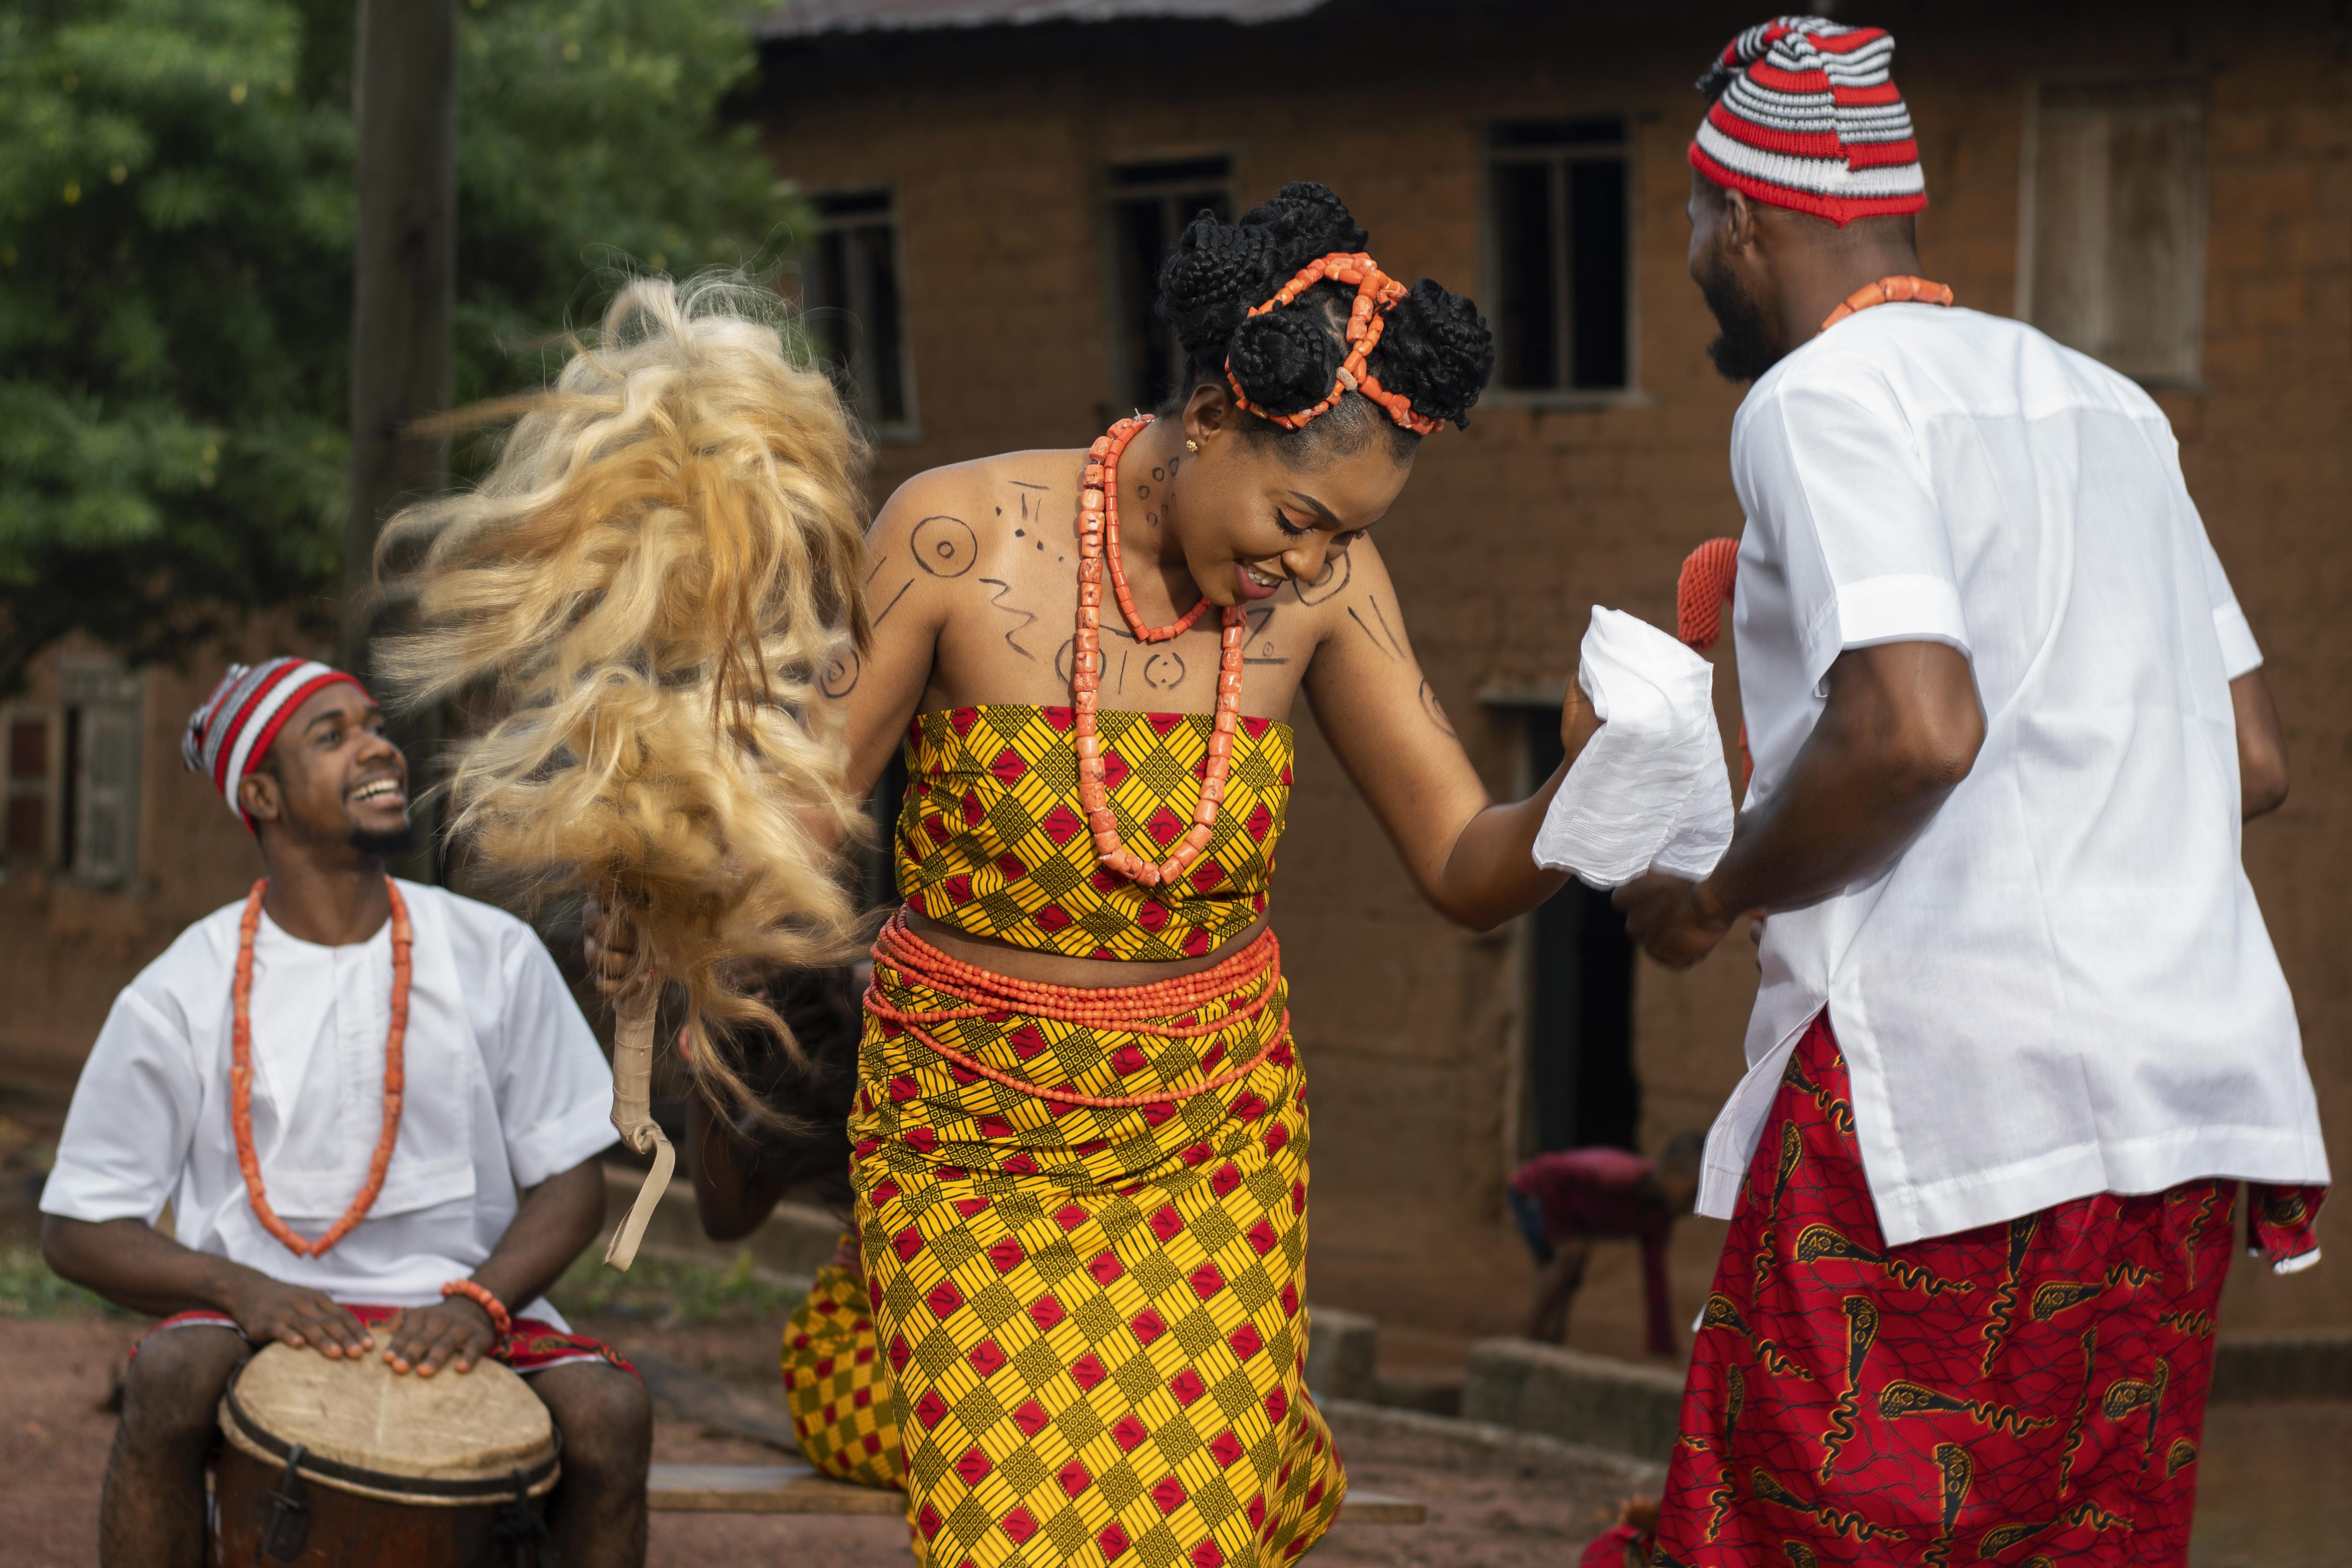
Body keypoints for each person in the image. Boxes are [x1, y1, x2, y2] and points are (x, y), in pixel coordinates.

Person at [588, 182, 1598, 1566]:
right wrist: (665, 869)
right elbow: (802, 821)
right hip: (973, 1130)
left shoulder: (1328, 594)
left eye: (1345, 537)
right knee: (1020, 1526)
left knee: (1177, 1528)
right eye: (1298, 514)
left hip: (1208, 1135)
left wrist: (1581, 793)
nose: (1308, 560)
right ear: (1212, 420)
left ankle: (1249, 1452)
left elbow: (1464, 866)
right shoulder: (956, 534)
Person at [1597, 18, 2330, 1567]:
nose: (1690, 259)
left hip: (1945, 1099)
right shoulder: (2107, 403)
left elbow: (1915, 729)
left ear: (1744, 219)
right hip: (2186, 1102)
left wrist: (1716, 890)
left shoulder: (1818, 400)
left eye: (1689, 224)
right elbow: (2250, 758)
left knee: (1801, 1531)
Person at [39, 658, 653, 1568]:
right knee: (169, 1377)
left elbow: (571, 1179)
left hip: (467, 1309)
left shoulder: (494, 954)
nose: (379, 748)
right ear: (264, 794)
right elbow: (77, 1225)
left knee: (612, 1410)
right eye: (332, 736)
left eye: (372, 724)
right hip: (249, 1319)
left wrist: (484, 1302)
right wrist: (240, 1289)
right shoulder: (182, 988)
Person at [1509, 1132, 1703, 1358]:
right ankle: (1526, 1344)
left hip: (1570, 1212)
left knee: (1571, 1269)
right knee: (1568, 1257)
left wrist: (1663, 1348)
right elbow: (1549, 1171)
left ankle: (1550, 1342)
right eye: (1692, 1194)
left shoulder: (1658, 1217)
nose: (1694, 1206)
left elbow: (1655, 1279)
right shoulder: (1623, 1177)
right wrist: (1562, 1235)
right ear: (1670, 1171)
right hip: (1531, 1190)